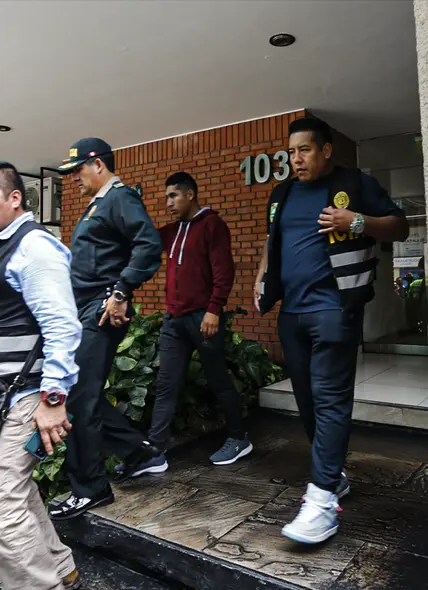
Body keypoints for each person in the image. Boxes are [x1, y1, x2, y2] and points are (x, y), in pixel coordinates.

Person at [254, 117, 409, 544]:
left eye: (304, 150)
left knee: (330, 399)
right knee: (306, 400)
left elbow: (400, 226)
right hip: (293, 314)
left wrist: (356, 222)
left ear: (325, 150)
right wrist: (262, 276)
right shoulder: (281, 193)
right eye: (291, 152)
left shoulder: (355, 184)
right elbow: (273, 240)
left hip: (335, 308)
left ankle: (321, 501)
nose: (296, 159)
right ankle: (333, 475)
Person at [0, 161, 83, 590]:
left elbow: (63, 327)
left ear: (14, 199)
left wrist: (53, 401)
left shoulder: (34, 249)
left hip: (26, 400)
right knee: (17, 492)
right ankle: (62, 570)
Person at [49, 138, 162, 521]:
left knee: (78, 396)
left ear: (97, 164)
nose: (74, 178)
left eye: (78, 170)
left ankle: (89, 489)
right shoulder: (99, 204)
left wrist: (121, 290)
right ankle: (137, 453)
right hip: (86, 308)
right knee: (84, 392)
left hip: (101, 308)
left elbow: (148, 245)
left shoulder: (119, 198)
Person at [131, 171, 249, 475]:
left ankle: (239, 438)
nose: (168, 202)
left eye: (173, 196)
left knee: (218, 379)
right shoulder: (172, 231)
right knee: (167, 383)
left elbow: (224, 271)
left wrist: (214, 309)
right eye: (167, 196)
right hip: (175, 320)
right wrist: (133, 204)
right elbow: (144, 239)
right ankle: (156, 451)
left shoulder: (212, 225)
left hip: (203, 318)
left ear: (190, 195)